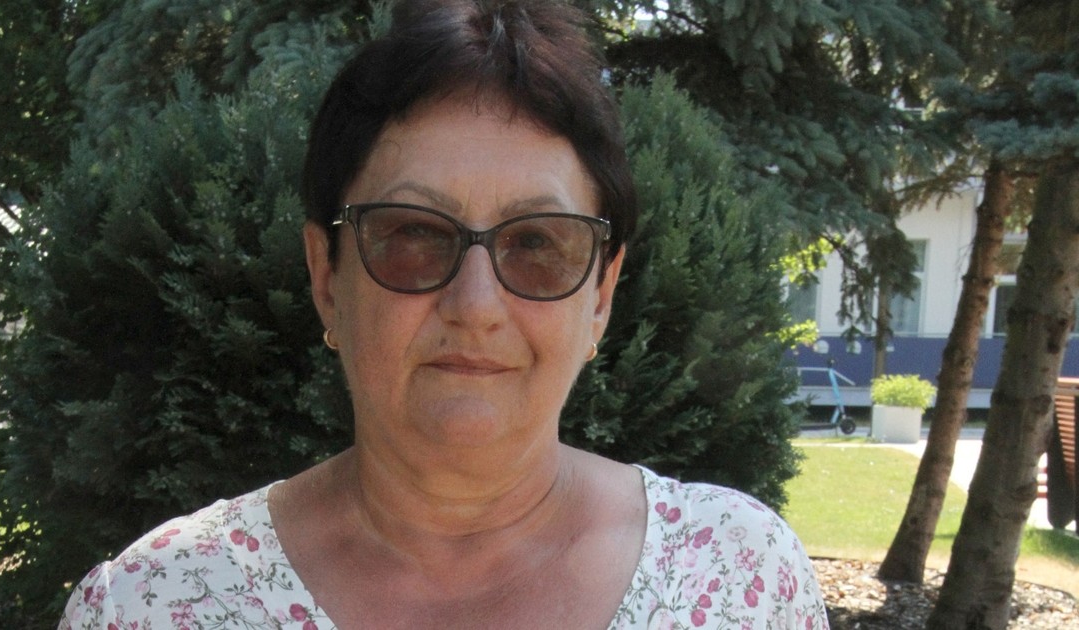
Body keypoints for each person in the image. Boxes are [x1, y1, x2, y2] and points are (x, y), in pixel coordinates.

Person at [60, 1, 828, 628]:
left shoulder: (740, 577)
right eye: (412, 237)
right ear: (327, 278)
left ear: (600, 294)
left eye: (538, 244)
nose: (476, 305)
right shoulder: (151, 606)